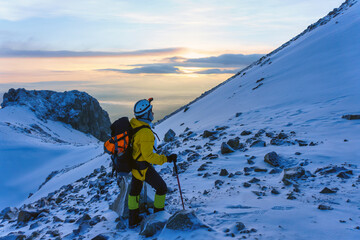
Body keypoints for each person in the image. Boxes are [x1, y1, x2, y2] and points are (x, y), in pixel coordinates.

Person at [128, 98, 177, 228]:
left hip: (134, 165)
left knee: (134, 193)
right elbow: (148, 156)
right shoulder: (145, 133)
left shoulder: (134, 124)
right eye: (151, 111)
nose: (153, 114)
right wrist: (166, 159)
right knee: (161, 187)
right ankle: (159, 214)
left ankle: (132, 220)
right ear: (146, 114)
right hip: (143, 167)